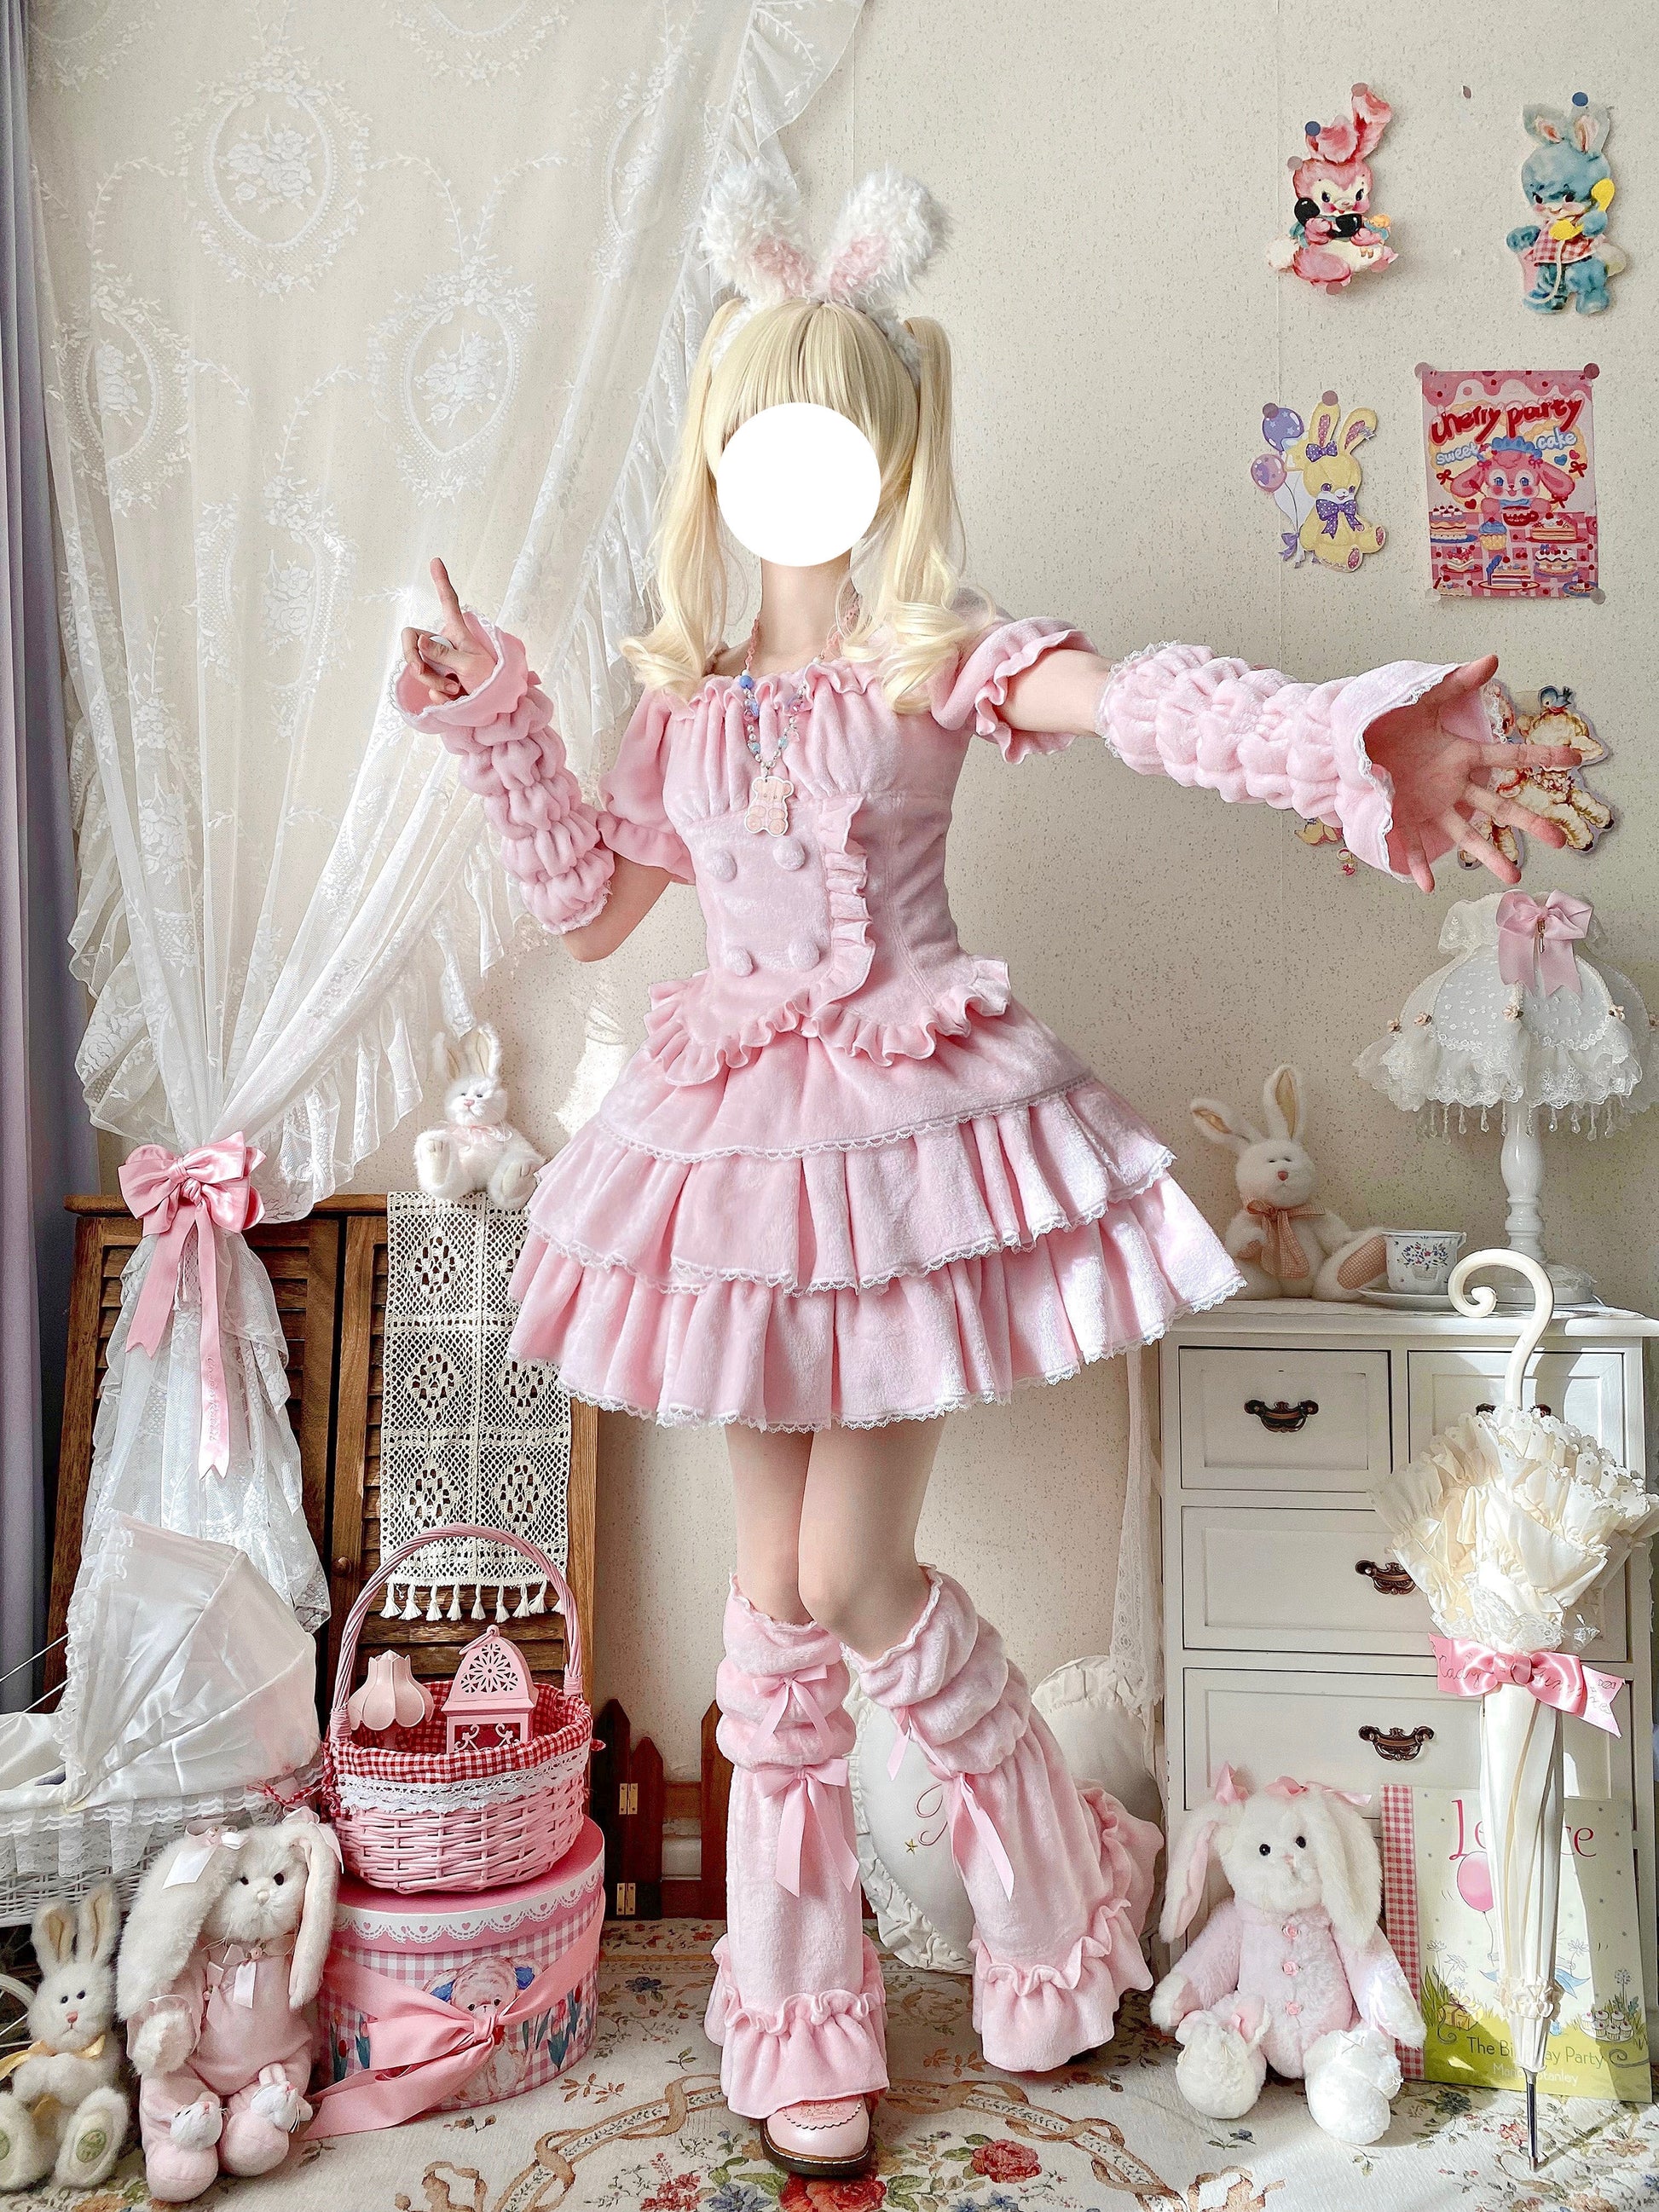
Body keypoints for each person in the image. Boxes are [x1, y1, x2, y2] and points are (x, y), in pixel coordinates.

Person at [397, 167, 1571, 2180]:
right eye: (758, 432)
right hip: (736, 1160)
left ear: (885, 452)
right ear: (714, 455)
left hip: (905, 1152)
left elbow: (1143, 702)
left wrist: (1338, 738)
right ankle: (798, 2007)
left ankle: (1050, 1898)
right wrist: (498, 720)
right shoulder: (682, 708)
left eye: (828, 431)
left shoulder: (934, 654)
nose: (788, 468)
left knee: (844, 1576)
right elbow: (589, 903)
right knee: (771, 1599)